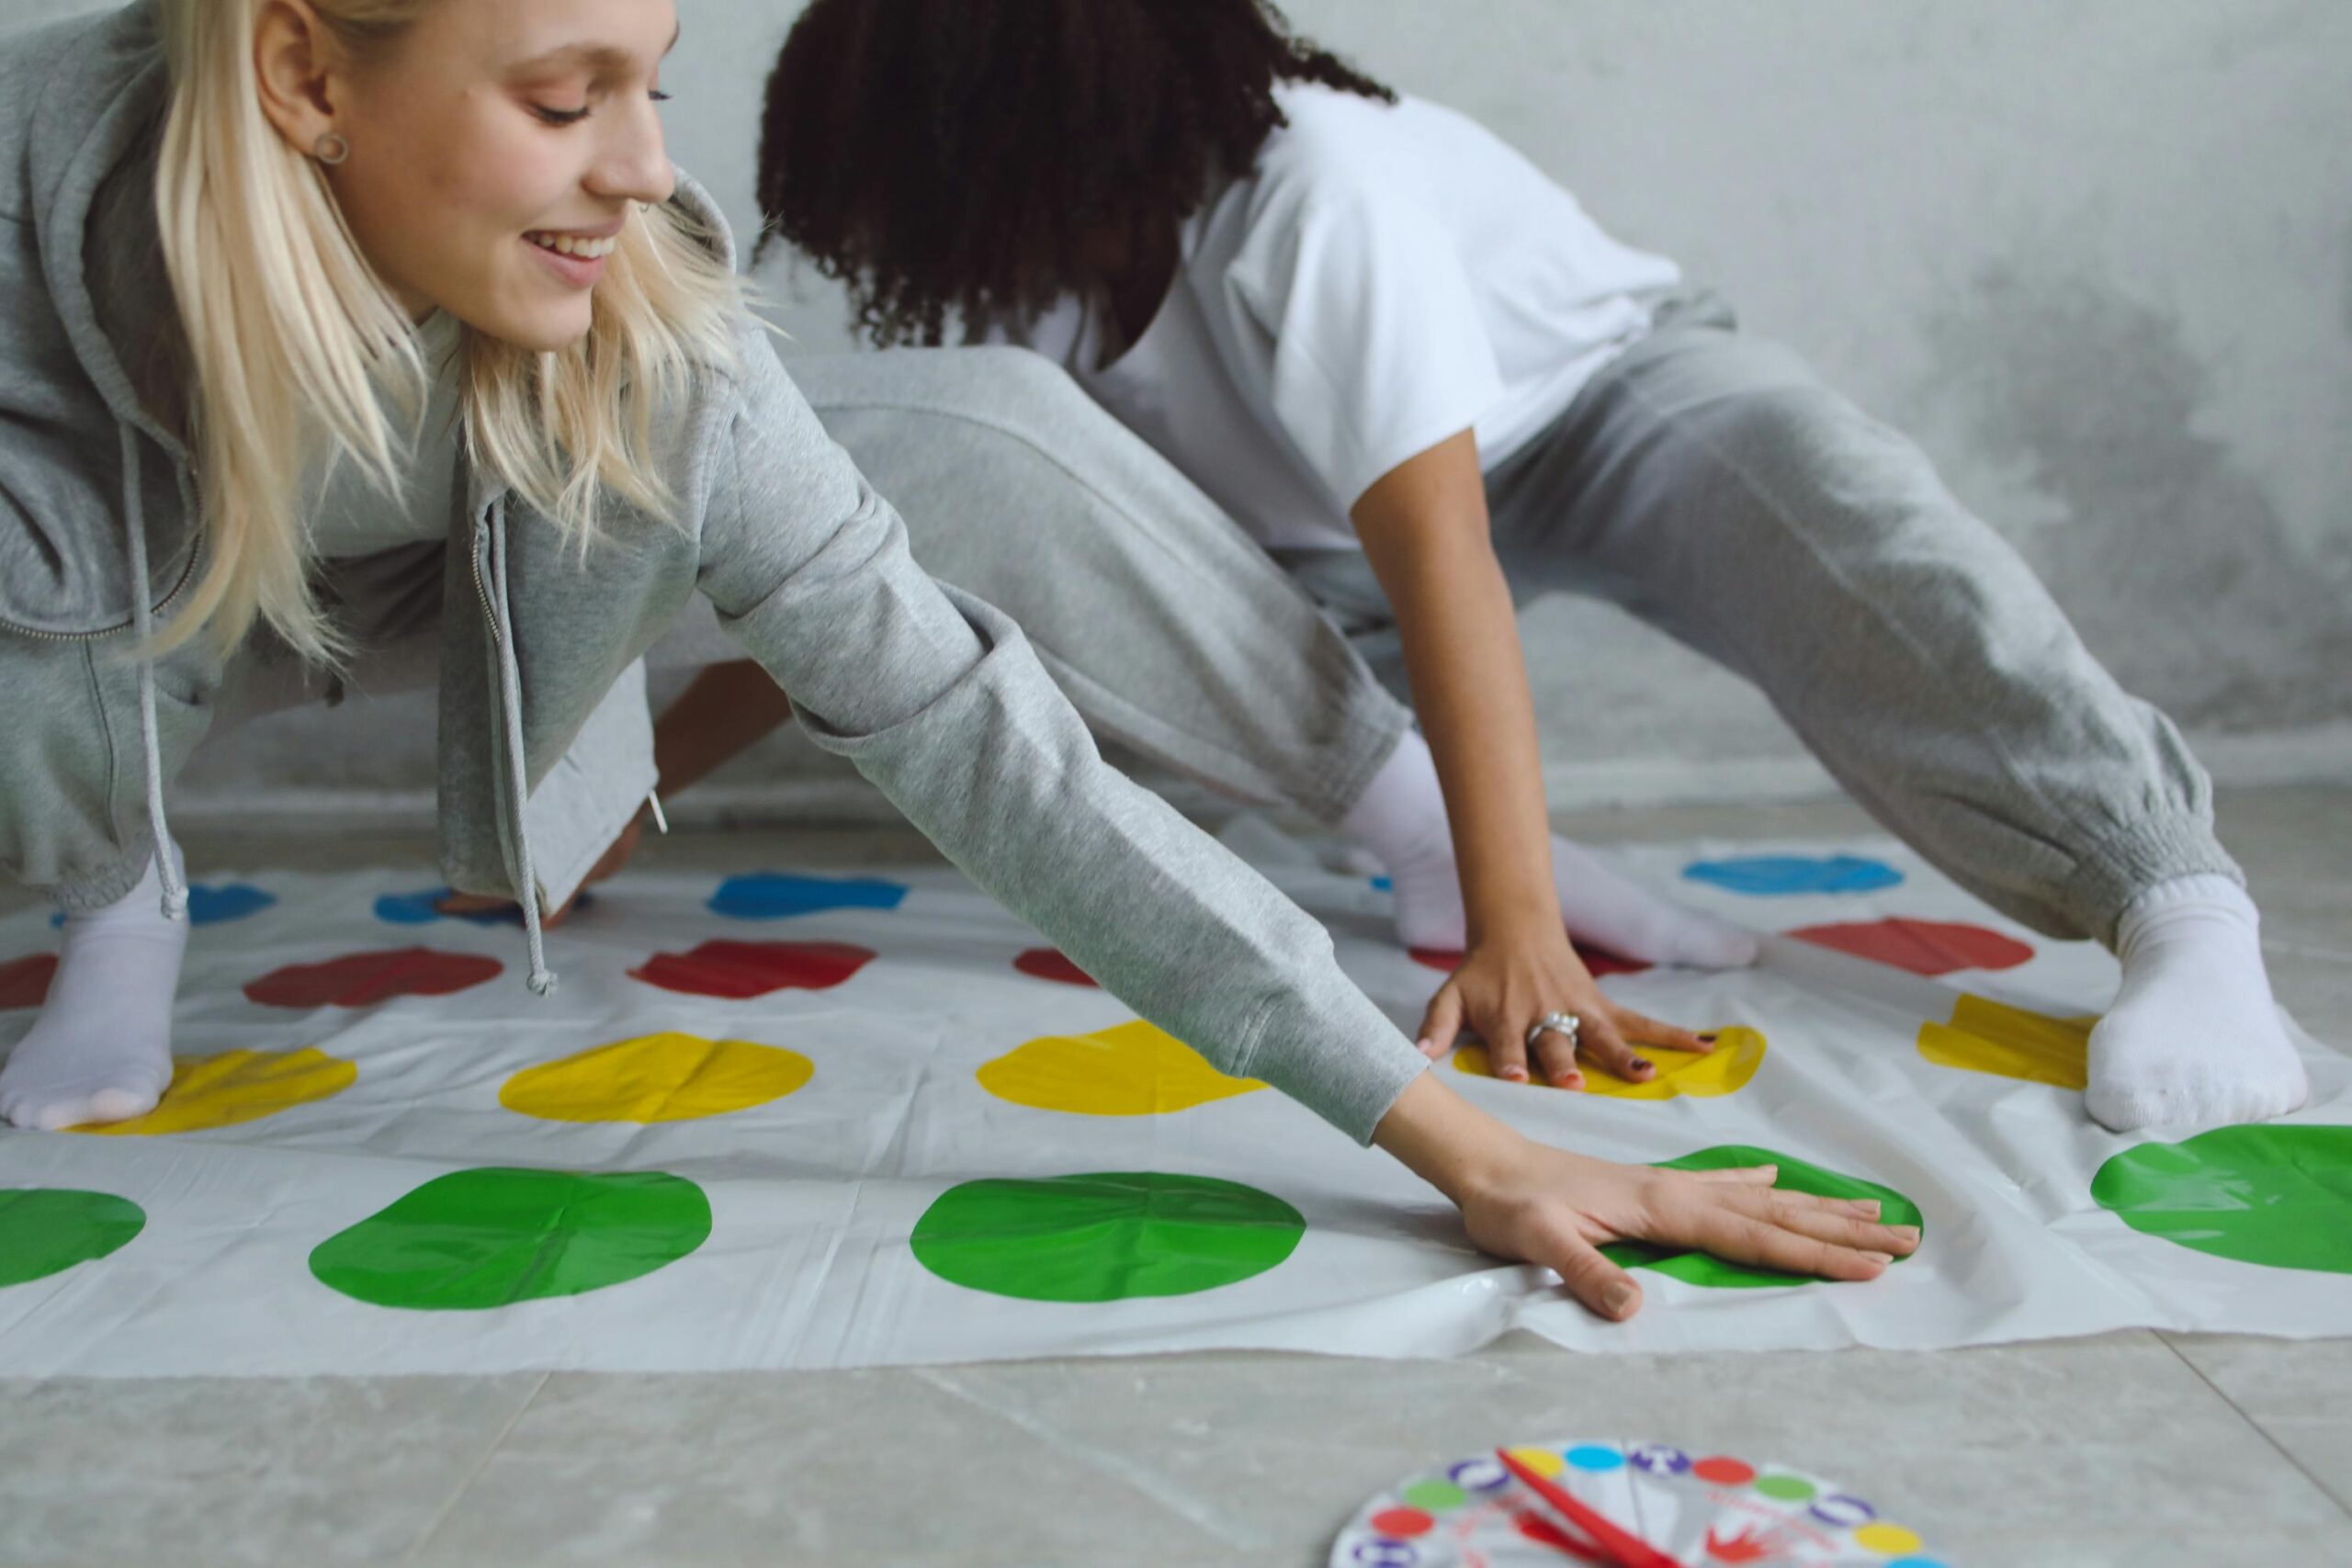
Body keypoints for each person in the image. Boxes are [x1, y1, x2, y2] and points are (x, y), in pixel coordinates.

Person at [0, 0, 1917, 1321]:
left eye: (656, 79)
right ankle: (115, 884)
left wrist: (1467, 1151)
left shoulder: (652, 337)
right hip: (133, 596)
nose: (642, 171)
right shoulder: (37, 220)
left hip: (463, 567)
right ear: (302, 75)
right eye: (567, 99)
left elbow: (992, 749)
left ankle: (1394, 805)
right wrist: (89, 840)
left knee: (970, 423)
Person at [752, 0, 2309, 1133]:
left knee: (1853, 521)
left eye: (902, 180)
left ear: (1021, 131)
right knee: (1071, 624)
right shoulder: (1018, 291)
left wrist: (1524, 928)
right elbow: (867, 556)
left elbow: (1445, 554)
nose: (887, 237)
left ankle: (2171, 903)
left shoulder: (1315, 190)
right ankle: (1432, 840)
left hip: (1591, 409)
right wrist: (628, 780)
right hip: (1314, 546)